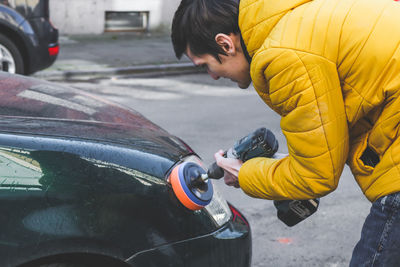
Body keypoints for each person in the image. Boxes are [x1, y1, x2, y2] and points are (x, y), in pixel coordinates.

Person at [171, 0, 400, 265]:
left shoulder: (283, 55)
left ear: (225, 44)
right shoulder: (298, 22)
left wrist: (245, 174)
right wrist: (283, 163)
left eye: (204, 65)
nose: (211, 76)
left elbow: (317, 177)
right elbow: (327, 146)